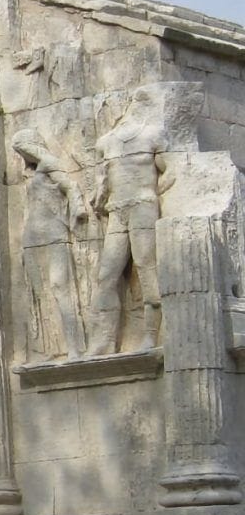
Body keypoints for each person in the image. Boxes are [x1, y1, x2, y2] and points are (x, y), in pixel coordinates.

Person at [88, 87, 173, 355]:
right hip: (117, 209)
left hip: (143, 205)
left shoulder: (152, 135)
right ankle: (104, 338)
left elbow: (169, 172)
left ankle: (151, 334)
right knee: (106, 274)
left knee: (146, 266)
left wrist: (156, 198)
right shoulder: (106, 142)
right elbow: (102, 182)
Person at [13, 129, 89, 360]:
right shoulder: (33, 172)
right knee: (38, 291)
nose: (22, 154)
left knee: (59, 286)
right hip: (32, 234)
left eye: (23, 148)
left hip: (54, 230)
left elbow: (71, 187)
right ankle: (51, 348)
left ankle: (74, 346)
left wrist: (78, 208)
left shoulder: (48, 162)